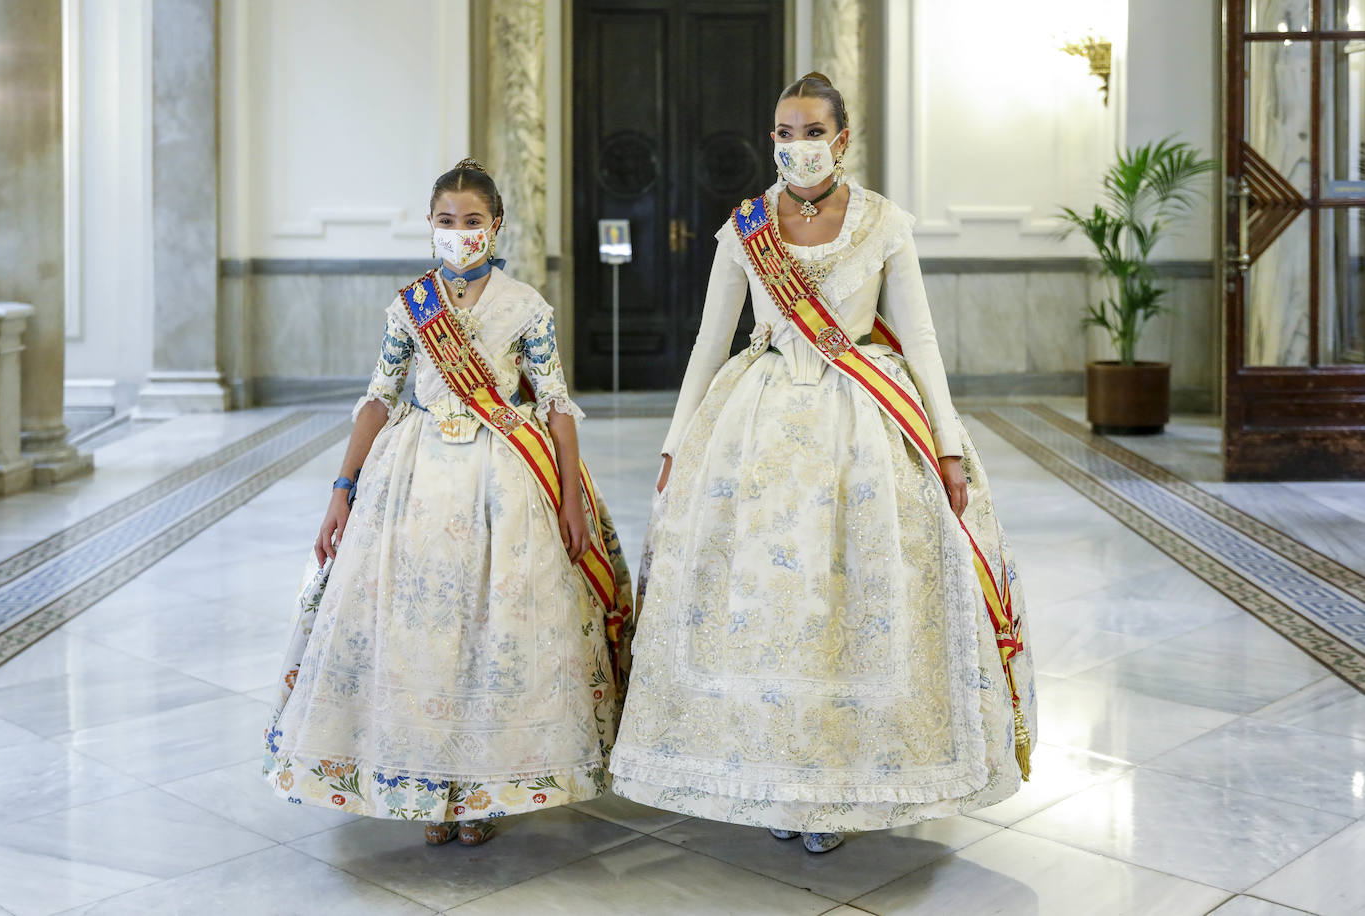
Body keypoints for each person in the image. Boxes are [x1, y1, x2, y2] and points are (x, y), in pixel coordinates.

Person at [609, 74, 1036, 853]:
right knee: (768, 609)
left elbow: (924, 339)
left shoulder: (883, 224)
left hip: (865, 422)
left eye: (809, 131)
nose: (793, 146)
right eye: (781, 132)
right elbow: (711, 343)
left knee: (849, 606)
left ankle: (845, 779)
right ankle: (774, 775)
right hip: (757, 421)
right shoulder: (745, 227)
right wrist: (675, 445)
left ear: (842, 139)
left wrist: (944, 443)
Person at [263, 159, 634, 848]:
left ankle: (482, 791)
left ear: (495, 227)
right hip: (414, 476)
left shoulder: (525, 305)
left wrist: (574, 501)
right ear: (429, 226)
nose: (458, 233)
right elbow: (380, 395)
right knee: (420, 635)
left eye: (471, 222)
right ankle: (427, 785)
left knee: (491, 633)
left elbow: (554, 404)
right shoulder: (411, 306)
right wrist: (341, 491)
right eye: (445, 222)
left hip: (505, 476)